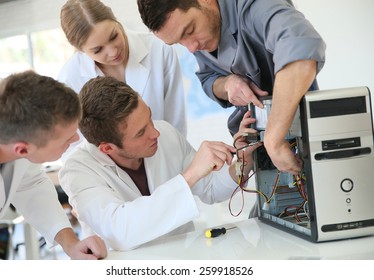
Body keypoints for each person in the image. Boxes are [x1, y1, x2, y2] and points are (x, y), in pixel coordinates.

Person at [58, 76, 261, 251]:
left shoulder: (164, 133)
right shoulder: (77, 170)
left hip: (182, 258)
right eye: (140, 133)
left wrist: (242, 161)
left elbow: (210, 189)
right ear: (107, 148)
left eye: (150, 118)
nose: (155, 133)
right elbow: (121, 231)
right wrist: (190, 175)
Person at [137, 0, 327, 175]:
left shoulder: (257, 6)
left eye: (189, 30)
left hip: (301, 144)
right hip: (260, 156)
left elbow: (301, 54)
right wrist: (227, 83)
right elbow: (208, 79)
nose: (192, 48)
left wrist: (274, 139)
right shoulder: (198, 37)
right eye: (179, 42)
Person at [0, 71, 107, 260]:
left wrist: (72, 244)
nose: (76, 139)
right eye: (66, 139)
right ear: (23, 150)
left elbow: (30, 184)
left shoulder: (10, 102)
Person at [58, 0, 187, 137]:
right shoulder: (70, 78)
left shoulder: (159, 50)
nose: (113, 52)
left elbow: (175, 122)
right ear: (81, 50)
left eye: (113, 36)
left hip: (163, 152)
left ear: (115, 20)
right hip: (103, 159)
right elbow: (72, 144)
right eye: (98, 50)